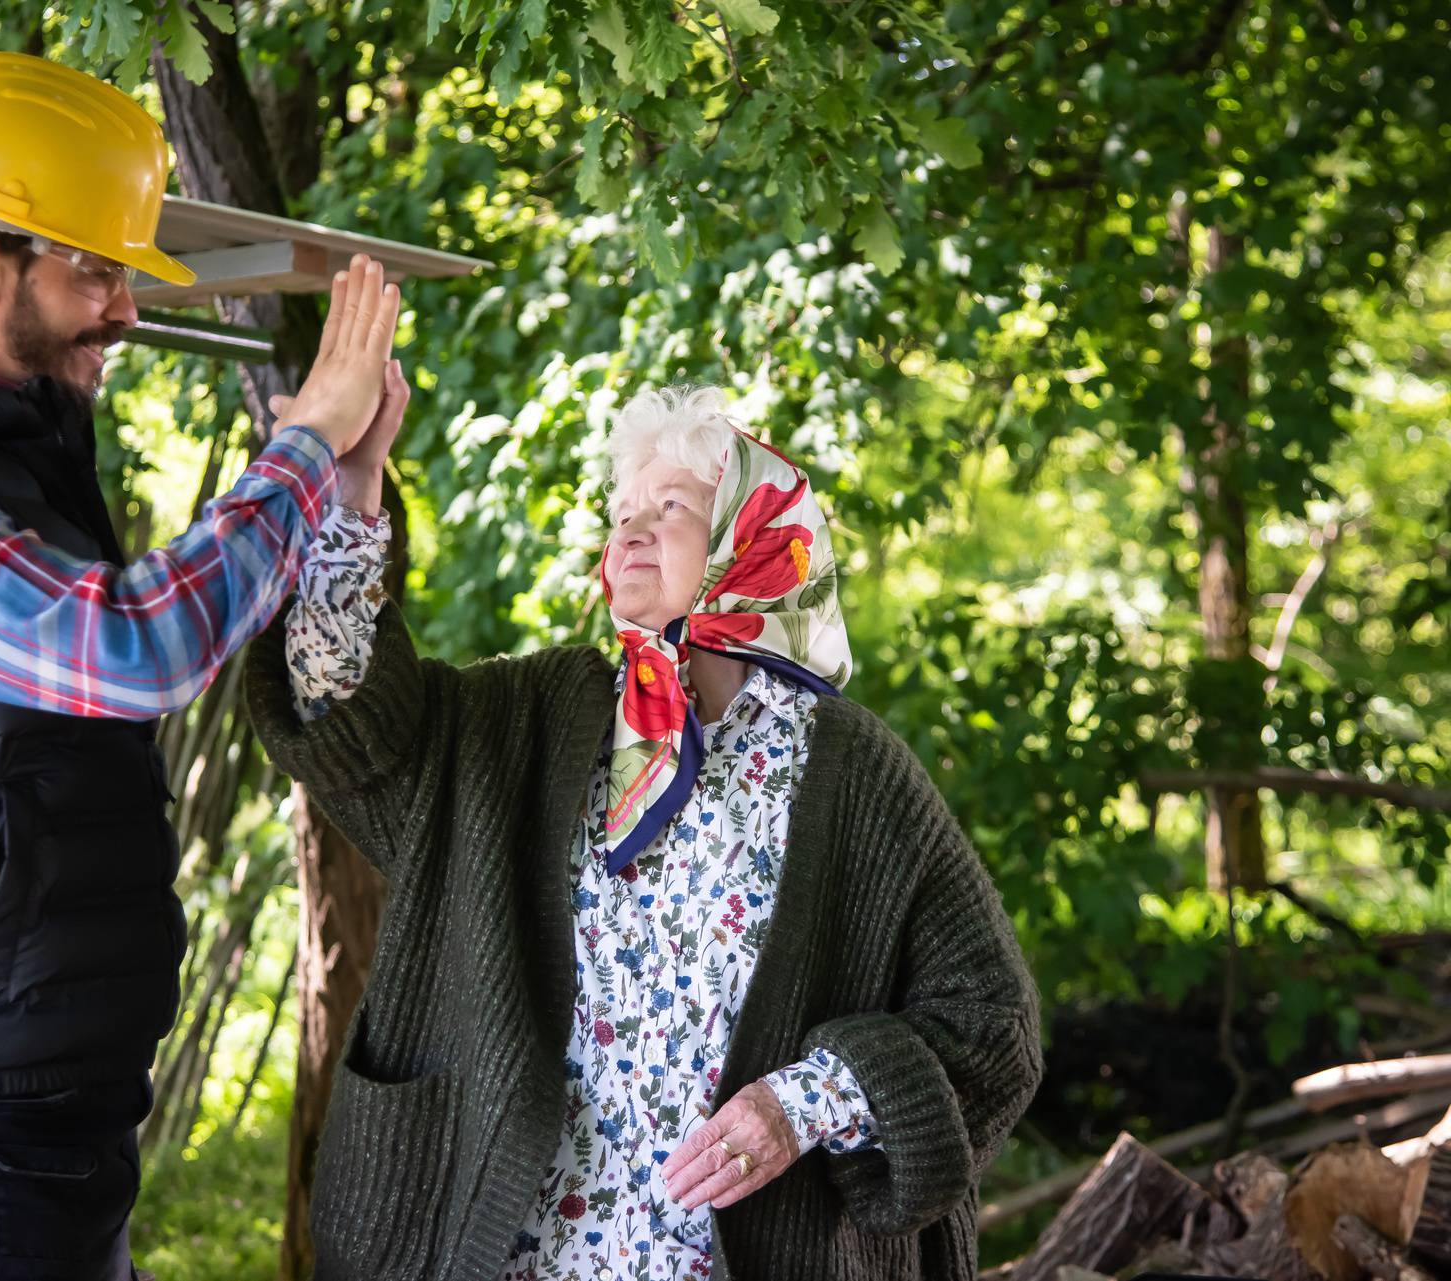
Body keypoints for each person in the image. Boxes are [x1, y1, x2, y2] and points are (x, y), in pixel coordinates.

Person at [0, 50, 400, 1281]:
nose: (125, 307)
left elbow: (265, 647)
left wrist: (349, 487)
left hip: (40, 1114)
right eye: (96, 269)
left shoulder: (28, 480)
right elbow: (143, 647)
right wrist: (306, 437)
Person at [246, 383, 1043, 1281]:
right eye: (621, 511)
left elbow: (992, 1023)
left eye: (672, 508)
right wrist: (350, 491)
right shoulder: (526, 714)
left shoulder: (852, 770)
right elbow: (347, 713)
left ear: (754, 537)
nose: (629, 529)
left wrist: (805, 1102)